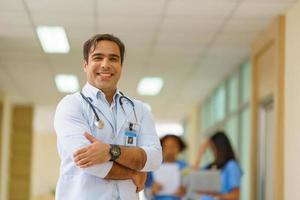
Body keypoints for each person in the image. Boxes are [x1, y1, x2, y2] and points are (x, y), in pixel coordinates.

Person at [54, 34, 162, 200]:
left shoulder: (139, 109)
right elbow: (88, 162)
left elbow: (154, 159)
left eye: (113, 59)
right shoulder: (71, 105)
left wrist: (111, 151)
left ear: (121, 65)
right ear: (85, 65)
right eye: (98, 57)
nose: (105, 65)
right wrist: (133, 172)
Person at [192, 131, 242, 200]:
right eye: (211, 148)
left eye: (213, 148)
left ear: (221, 147)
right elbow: (193, 177)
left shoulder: (231, 165)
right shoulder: (211, 166)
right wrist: (199, 154)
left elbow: (235, 195)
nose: (212, 152)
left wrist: (215, 196)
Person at [145, 134, 188, 200]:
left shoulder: (185, 167)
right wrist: (152, 191)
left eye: (173, 146)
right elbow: (146, 193)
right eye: (166, 147)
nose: (170, 150)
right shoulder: (153, 166)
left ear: (180, 148)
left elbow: (191, 191)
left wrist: (185, 193)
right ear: (161, 148)